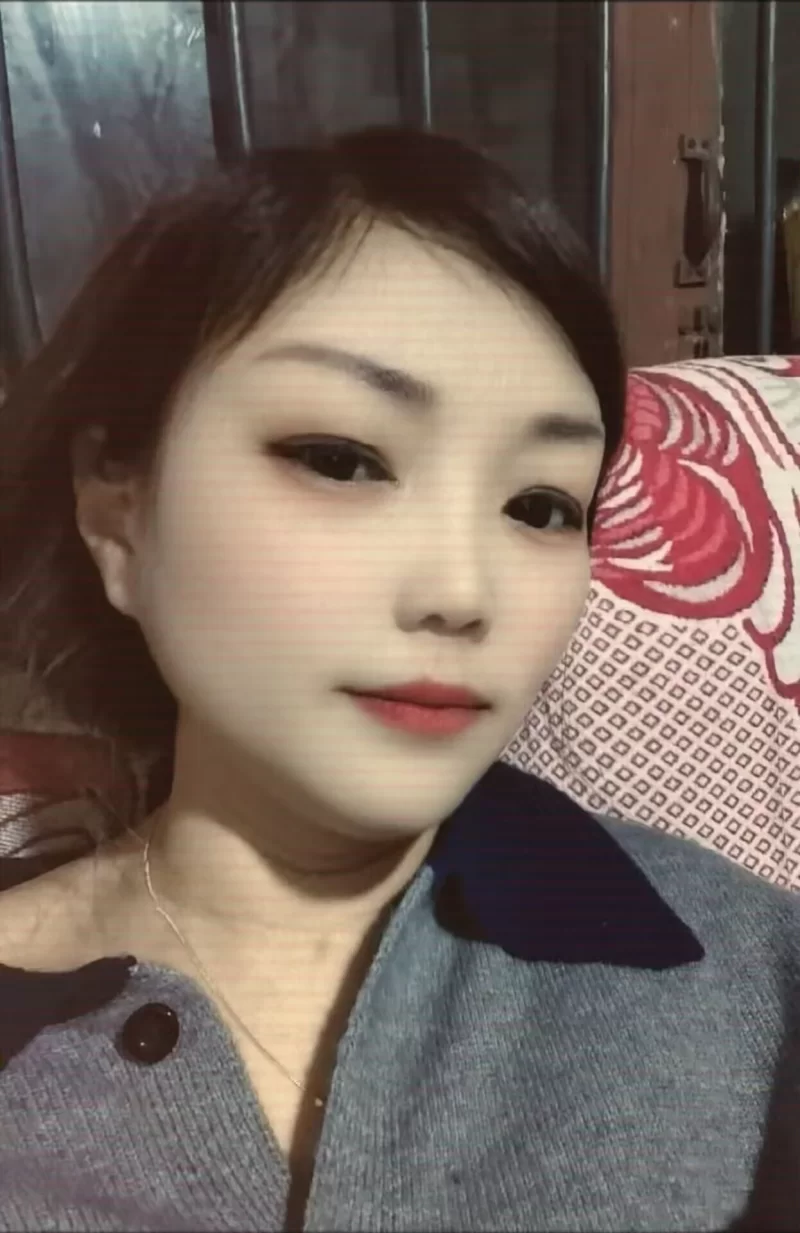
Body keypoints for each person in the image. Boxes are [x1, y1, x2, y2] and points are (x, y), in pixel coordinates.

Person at [0, 124, 797, 1233]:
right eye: (342, 459)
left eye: (540, 505)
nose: (462, 591)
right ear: (115, 506)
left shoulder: (752, 982)